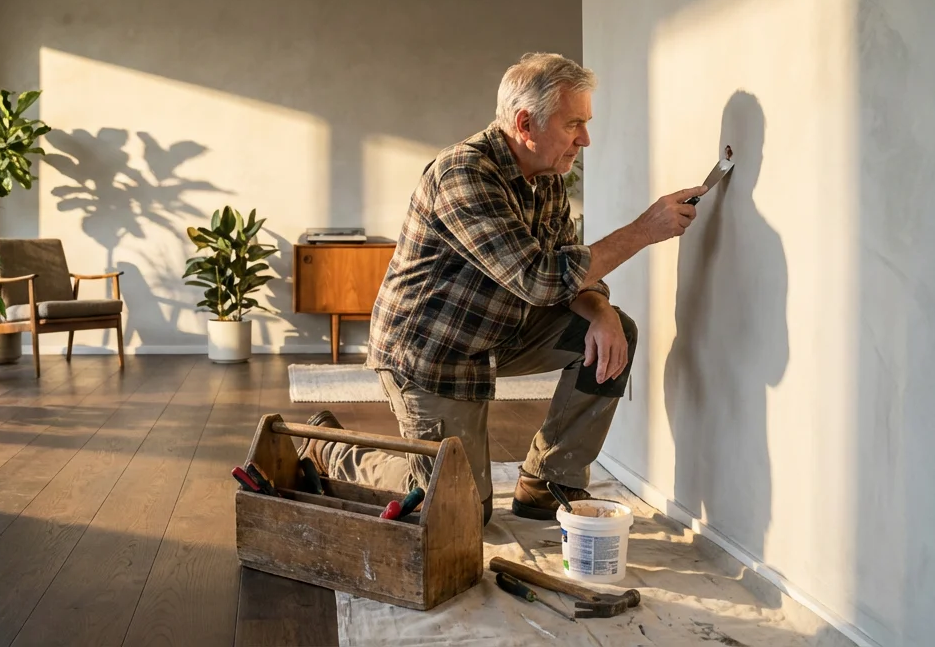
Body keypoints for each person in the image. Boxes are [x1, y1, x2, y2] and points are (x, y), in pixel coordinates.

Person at [299, 53, 706, 524]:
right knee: (460, 513)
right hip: (431, 354)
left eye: (586, 123)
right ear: (525, 122)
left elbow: (566, 270)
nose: (585, 139)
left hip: (498, 330)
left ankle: (549, 480)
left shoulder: (547, 177)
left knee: (618, 332)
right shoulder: (463, 174)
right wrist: (644, 229)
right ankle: (330, 450)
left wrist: (600, 312)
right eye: (574, 123)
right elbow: (538, 278)